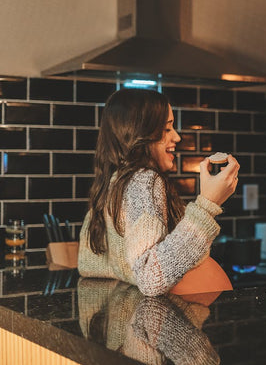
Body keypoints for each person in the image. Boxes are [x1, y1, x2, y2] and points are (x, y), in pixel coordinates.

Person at [78, 88, 239, 296]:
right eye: (166, 129)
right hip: (178, 319)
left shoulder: (117, 181)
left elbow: (94, 262)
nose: (177, 137)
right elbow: (150, 276)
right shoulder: (144, 180)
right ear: (140, 133)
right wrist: (208, 204)